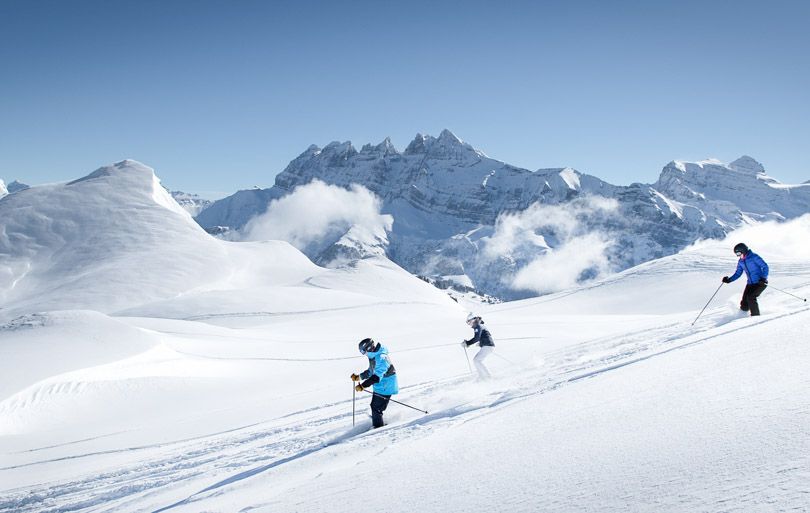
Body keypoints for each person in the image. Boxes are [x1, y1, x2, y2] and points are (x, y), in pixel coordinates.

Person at [351, 338, 399, 428]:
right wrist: (359, 377)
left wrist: (363, 386)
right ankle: (377, 421)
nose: (364, 354)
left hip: (386, 386)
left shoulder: (381, 358)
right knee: (374, 406)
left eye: (363, 351)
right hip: (381, 385)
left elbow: (376, 377)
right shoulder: (374, 356)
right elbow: (371, 371)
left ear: (368, 348)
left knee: (376, 408)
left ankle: (378, 427)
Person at [722, 242, 769, 316]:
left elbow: (765, 266)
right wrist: (729, 280)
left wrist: (763, 278)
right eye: (737, 254)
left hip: (760, 283)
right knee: (744, 304)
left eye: (738, 253)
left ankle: (756, 317)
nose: (738, 256)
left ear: (743, 250)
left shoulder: (754, 257)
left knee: (751, 297)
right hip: (750, 284)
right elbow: (738, 273)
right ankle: (742, 316)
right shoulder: (741, 261)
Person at [462, 313, 495, 379]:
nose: (469, 324)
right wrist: (481, 343)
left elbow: (476, 338)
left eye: (469, 322)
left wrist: (467, 343)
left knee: (477, 360)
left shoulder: (478, 326)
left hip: (488, 346)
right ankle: (483, 376)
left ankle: (487, 376)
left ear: (473, 320)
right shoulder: (479, 325)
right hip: (487, 345)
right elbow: (483, 336)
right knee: (477, 360)